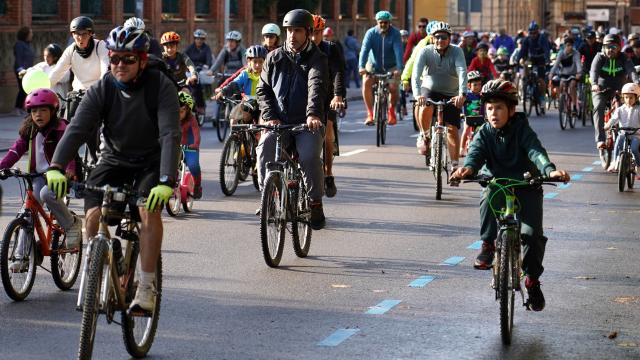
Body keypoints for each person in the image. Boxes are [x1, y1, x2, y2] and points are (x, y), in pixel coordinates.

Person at [48, 26, 181, 312]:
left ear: (143, 60)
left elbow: (170, 133)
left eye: (128, 59)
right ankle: (101, 263)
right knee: (94, 214)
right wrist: (57, 166)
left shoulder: (160, 86)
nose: (120, 65)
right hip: (114, 158)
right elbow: (78, 128)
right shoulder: (103, 87)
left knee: (148, 209)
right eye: (115, 58)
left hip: (151, 160)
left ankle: (146, 287)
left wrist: (167, 180)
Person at [450, 79, 571, 312]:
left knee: (532, 234)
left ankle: (532, 281)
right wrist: (468, 169)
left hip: (527, 183)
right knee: (486, 197)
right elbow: (475, 153)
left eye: (499, 108)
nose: (493, 113)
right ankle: (488, 245)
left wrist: (550, 170)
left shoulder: (522, 128)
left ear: (511, 110)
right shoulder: (484, 132)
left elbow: (536, 151)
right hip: (497, 183)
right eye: (489, 108)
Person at [256, 8, 328, 230]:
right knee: (264, 148)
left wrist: (313, 114)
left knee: (308, 157)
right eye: (288, 31)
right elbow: (263, 90)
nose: (292, 36)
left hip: (306, 124)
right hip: (279, 123)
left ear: (307, 32)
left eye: (297, 30)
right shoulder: (273, 57)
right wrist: (269, 117)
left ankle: (315, 201)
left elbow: (315, 86)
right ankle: (268, 195)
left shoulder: (317, 58)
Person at [0, 88, 82, 272]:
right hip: (37, 177)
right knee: (25, 214)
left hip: (59, 177)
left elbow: (69, 151)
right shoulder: (29, 130)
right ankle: (21, 257)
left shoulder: (61, 128)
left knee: (47, 194)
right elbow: (15, 151)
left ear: (53, 111)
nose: (38, 114)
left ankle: (71, 224)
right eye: (34, 111)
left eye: (43, 110)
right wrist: (2, 166)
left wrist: (69, 170)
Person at [49, 16, 110, 164]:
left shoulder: (100, 46)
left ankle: (97, 158)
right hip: (78, 93)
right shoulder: (71, 51)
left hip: (97, 92)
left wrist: (100, 88)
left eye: (84, 34)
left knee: (93, 130)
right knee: (69, 129)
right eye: (76, 34)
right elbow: (56, 73)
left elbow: (105, 68)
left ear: (91, 34)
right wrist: (45, 88)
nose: (80, 37)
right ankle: (70, 163)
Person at [411, 21, 467, 170]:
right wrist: (417, 95)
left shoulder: (457, 51)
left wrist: (462, 94)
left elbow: (462, 73)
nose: (440, 40)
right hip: (430, 89)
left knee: (452, 129)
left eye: (443, 37)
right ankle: (425, 135)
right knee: (425, 104)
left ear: (449, 39)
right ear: (432, 38)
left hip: (452, 93)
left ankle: (455, 166)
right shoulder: (425, 51)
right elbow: (415, 76)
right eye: (437, 37)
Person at [311, 14, 346, 198]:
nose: (313, 37)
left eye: (317, 33)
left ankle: (328, 173)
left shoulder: (330, 49)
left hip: (328, 97)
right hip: (306, 99)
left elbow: (339, 73)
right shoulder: (298, 50)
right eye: (310, 32)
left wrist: (338, 96)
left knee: (328, 133)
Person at [590, 34, 638, 150]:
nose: (610, 49)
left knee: (627, 107)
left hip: (620, 88)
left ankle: (628, 137)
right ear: (604, 47)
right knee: (598, 107)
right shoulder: (599, 57)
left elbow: (631, 71)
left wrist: (637, 82)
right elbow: (594, 71)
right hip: (601, 88)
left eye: (614, 47)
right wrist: (594, 84)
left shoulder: (624, 57)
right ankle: (600, 139)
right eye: (608, 46)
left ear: (619, 48)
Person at [359, 10, 403, 126]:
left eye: (385, 23)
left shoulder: (395, 34)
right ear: (377, 22)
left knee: (393, 87)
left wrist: (399, 69)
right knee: (367, 81)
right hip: (373, 65)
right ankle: (369, 113)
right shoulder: (371, 33)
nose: (383, 25)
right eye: (381, 23)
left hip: (391, 66)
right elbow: (364, 50)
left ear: (390, 23)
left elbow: (398, 51)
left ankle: (391, 110)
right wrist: (361, 67)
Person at [214, 45, 266, 124]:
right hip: (248, 103)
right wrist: (223, 91)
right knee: (234, 120)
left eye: (260, 62)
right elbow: (235, 83)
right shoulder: (245, 73)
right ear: (249, 62)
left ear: (265, 62)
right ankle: (235, 136)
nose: (258, 65)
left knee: (263, 124)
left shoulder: (268, 74)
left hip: (264, 105)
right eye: (255, 62)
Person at [604, 82, 640, 174]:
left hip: (636, 135)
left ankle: (638, 166)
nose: (628, 100)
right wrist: (607, 126)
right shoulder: (620, 109)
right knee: (618, 143)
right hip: (623, 133)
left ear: (636, 97)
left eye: (631, 97)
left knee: (634, 149)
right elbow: (613, 119)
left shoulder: (638, 109)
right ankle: (615, 162)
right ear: (623, 98)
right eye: (626, 97)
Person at [21, 44, 71, 108]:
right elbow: (33, 70)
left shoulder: (62, 68)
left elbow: (63, 78)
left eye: (48, 56)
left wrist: (44, 79)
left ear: (56, 57)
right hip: (43, 100)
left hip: (59, 101)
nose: (46, 58)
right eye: (45, 55)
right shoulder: (42, 66)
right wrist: (25, 72)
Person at [517, 21, 551, 111]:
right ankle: (526, 83)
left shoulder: (542, 38)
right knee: (525, 67)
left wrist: (547, 60)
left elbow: (546, 50)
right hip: (531, 60)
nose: (533, 35)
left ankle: (542, 98)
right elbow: (522, 51)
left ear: (537, 31)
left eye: (534, 33)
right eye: (531, 33)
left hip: (541, 60)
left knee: (541, 80)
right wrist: (519, 59)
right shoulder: (527, 39)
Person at [177, 91, 202, 198]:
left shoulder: (192, 119)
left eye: (182, 111)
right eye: (176, 111)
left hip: (189, 145)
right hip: (176, 145)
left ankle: (197, 186)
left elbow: (196, 133)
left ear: (188, 110)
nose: (179, 114)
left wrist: (195, 144)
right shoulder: (170, 117)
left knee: (193, 165)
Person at [184, 29, 214, 115]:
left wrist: (207, 66)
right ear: (194, 39)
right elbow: (184, 56)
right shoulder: (190, 47)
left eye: (201, 39)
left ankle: (200, 105)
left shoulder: (206, 48)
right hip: (190, 69)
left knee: (197, 84)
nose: (199, 41)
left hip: (201, 70)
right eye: (197, 38)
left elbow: (209, 59)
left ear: (204, 40)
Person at [548, 37, 581, 114]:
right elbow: (555, 65)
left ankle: (574, 106)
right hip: (563, 74)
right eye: (568, 45)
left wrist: (579, 73)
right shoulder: (561, 53)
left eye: (571, 45)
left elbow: (578, 64)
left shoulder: (576, 53)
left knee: (572, 86)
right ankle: (561, 101)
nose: (570, 47)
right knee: (561, 84)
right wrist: (551, 73)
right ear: (565, 46)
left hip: (573, 74)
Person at [459, 70, 483, 156]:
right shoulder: (467, 96)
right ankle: (462, 148)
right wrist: (461, 113)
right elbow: (459, 104)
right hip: (468, 117)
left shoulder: (482, 96)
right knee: (466, 130)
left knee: (482, 131)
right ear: (469, 85)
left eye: (479, 84)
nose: (478, 87)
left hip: (480, 118)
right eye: (475, 85)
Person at [13, 26, 35, 116]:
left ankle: (22, 107)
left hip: (28, 70)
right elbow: (18, 58)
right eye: (30, 33)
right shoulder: (19, 44)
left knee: (26, 89)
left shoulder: (28, 44)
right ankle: (17, 108)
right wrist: (21, 69)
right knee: (22, 89)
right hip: (21, 70)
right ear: (25, 34)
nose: (32, 35)